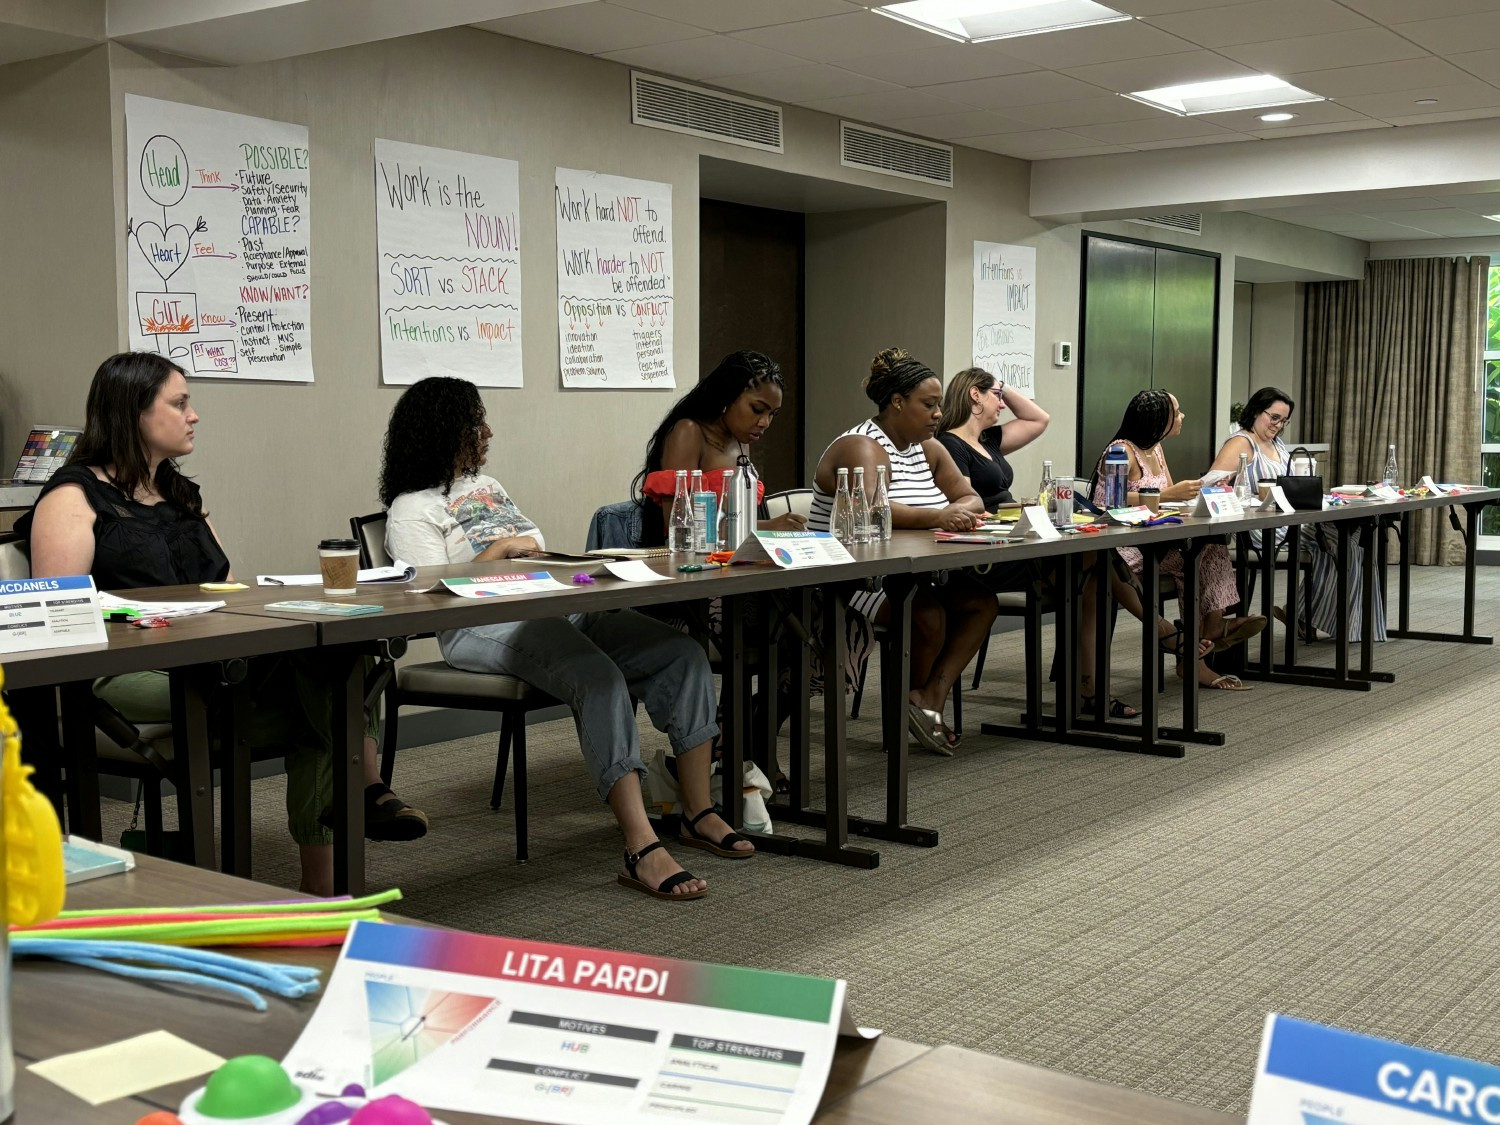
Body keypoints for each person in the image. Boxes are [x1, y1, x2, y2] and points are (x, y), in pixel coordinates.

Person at [19, 352, 426, 897]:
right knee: (333, 694)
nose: (194, 415)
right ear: (135, 411)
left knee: (339, 665)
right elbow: (57, 617)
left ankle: (324, 883)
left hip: (215, 664)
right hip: (128, 671)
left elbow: (226, 588)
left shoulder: (182, 496)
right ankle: (354, 817)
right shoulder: (73, 497)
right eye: (180, 402)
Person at [381, 376, 748, 901]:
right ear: (443, 431)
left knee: (681, 654)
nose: (486, 432)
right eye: (474, 423)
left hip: (547, 602)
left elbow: (532, 542)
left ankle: (698, 810)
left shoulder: (487, 487)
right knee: (596, 676)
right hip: (477, 625)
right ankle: (640, 844)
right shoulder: (411, 508)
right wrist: (499, 552)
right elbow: (429, 593)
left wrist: (521, 549)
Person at [809, 347, 998, 754]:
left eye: (939, 406)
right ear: (897, 402)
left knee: (981, 603)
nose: (937, 415)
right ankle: (906, 713)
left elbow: (972, 499)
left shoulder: (927, 447)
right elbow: (874, 511)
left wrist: (952, 512)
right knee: (927, 615)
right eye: (928, 405)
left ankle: (929, 698)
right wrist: (941, 516)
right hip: (849, 576)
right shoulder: (862, 445)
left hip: (910, 571)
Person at [1093, 389, 1265, 691]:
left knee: (1208, 547)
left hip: (1155, 537)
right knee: (1194, 558)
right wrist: (1170, 495)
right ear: (1158, 419)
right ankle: (1200, 647)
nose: (1182, 416)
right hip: (1125, 546)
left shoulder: (1156, 449)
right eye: (1177, 411)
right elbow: (1108, 501)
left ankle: (1204, 636)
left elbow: (1168, 498)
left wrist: (1194, 494)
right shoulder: (1121, 451)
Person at [1209, 386, 1349, 642]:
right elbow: (1213, 486)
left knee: (1349, 539)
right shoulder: (1242, 442)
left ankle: (1310, 615)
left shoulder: (1277, 443)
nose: (1277, 425)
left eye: (1283, 421)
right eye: (1273, 417)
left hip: (1288, 520)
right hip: (1261, 527)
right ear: (1255, 411)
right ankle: (1306, 615)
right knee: (1338, 540)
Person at [635, 349, 807, 543]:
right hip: (690, 562)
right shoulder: (688, 432)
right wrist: (768, 527)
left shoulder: (741, 441)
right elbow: (681, 527)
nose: (765, 422)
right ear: (728, 397)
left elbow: (736, 519)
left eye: (772, 414)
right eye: (757, 410)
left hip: (731, 558)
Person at [935, 366, 1050, 511]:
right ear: (975, 394)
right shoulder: (950, 444)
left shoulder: (987, 439)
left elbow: (1040, 419)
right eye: (997, 395)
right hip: (988, 528)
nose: (1002, 404)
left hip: (1009, 522)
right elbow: (963, 506)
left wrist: (1002, 387)